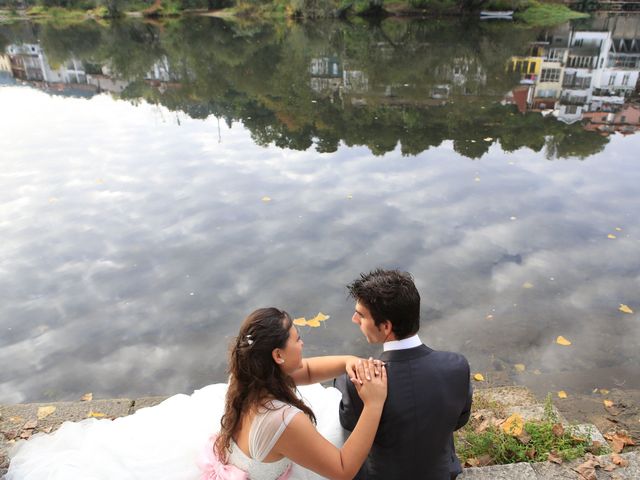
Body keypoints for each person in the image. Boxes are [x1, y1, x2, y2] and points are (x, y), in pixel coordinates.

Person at [5, 307, 386, 480]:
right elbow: (342, 469)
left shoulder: (251, 380)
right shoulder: (286, 420)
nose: (304, 344)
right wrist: (373, 404)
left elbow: (302, 372)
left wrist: (349, 360)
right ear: (277, 354)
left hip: (250, 452)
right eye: (298, 339)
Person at [335, 269, 472, 480]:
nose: (354, 319)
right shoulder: (457, 366)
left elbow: (349, 428)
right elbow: (459, 420)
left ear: (386, 326)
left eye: (361, 315)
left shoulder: (357, 381)